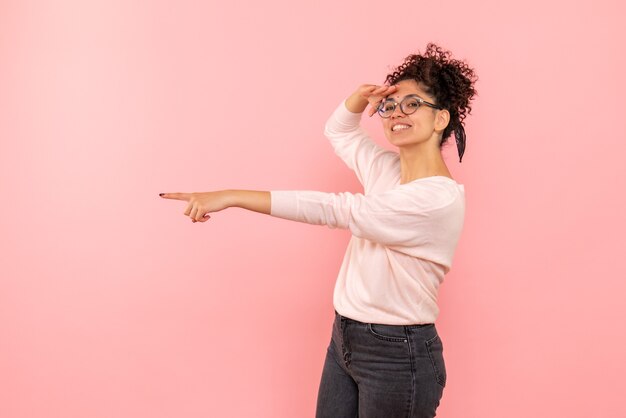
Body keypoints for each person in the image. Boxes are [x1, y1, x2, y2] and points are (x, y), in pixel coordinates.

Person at [159, 42, 478, 417]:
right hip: (345, 338)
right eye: (389, 106)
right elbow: (339, 132)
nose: (395, 113)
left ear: (441, 119)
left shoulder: (435, 200)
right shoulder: (387, 170)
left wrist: (231, 196)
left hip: (398, 352)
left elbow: (337, 209)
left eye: (411, 104)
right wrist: (358, 99)